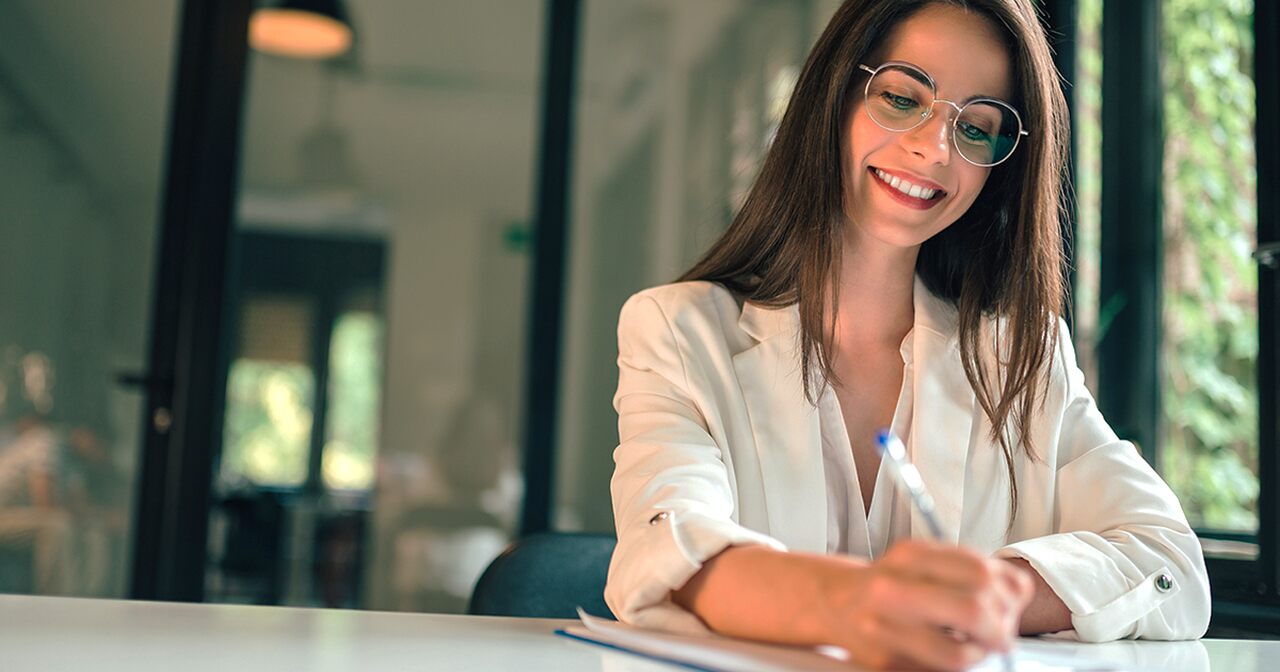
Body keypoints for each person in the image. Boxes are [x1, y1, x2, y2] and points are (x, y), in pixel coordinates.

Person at [603, 0, 1211, 669]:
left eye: (978, 128)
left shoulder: (1023, 357)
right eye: (900, 96)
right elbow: (670, 554)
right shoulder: (679, 332)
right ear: (834, 97)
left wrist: (995, 595)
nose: (935, 148)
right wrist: (866, 604)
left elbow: (1171, 565)